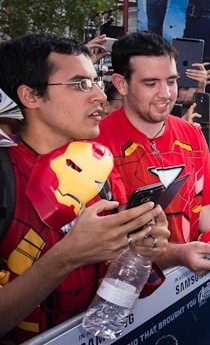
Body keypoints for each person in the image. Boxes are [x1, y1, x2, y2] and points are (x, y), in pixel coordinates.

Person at [0, 33, 170, 343]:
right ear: (30, 96)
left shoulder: (98, 165)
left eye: (95, 82)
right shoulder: (5, 176)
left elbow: (113, 277)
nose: (100, 96)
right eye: (80, 84)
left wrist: (138, 251)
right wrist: (68, 256)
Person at [95, 31, 210, 277]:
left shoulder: (192, 134)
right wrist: (178, 254)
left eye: (171, 81)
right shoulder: (96, 144)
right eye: (151, 84)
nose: (166, 94)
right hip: (126, 286)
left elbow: (209, 212)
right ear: (121, 84)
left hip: (186, 283)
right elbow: (115, 240)